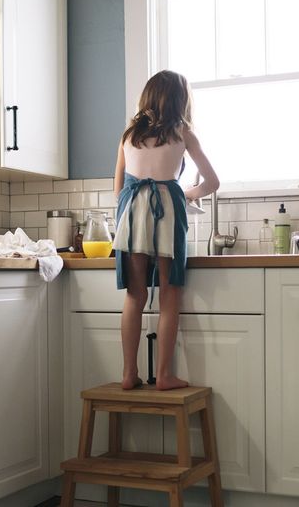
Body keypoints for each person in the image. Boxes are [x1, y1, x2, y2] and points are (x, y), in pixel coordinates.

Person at [112, 70, 220, 391]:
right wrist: (186, 194)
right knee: (170, 295)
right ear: (180, 100)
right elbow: (212, 182)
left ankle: (129, 374)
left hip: (131, 213)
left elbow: (118, 189)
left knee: (135, 295)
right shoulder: (182, 132)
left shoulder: (128, 134)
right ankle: (163, 375)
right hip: (167, 212)